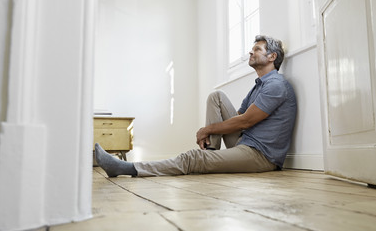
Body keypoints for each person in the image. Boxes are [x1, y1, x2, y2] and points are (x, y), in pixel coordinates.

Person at [95, 35, 297, 177]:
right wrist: (212, 133)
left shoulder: (276, 85)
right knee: (216, 96)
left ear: (272, 57)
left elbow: (245, 121)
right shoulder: (259, 85)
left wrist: (207, 129)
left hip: (260, 155)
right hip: (246, 141)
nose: (251, 53)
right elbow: (238, 117)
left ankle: (127, 168)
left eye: (257, 50)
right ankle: (210, 152)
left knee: (192, 159)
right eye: (252, 49)